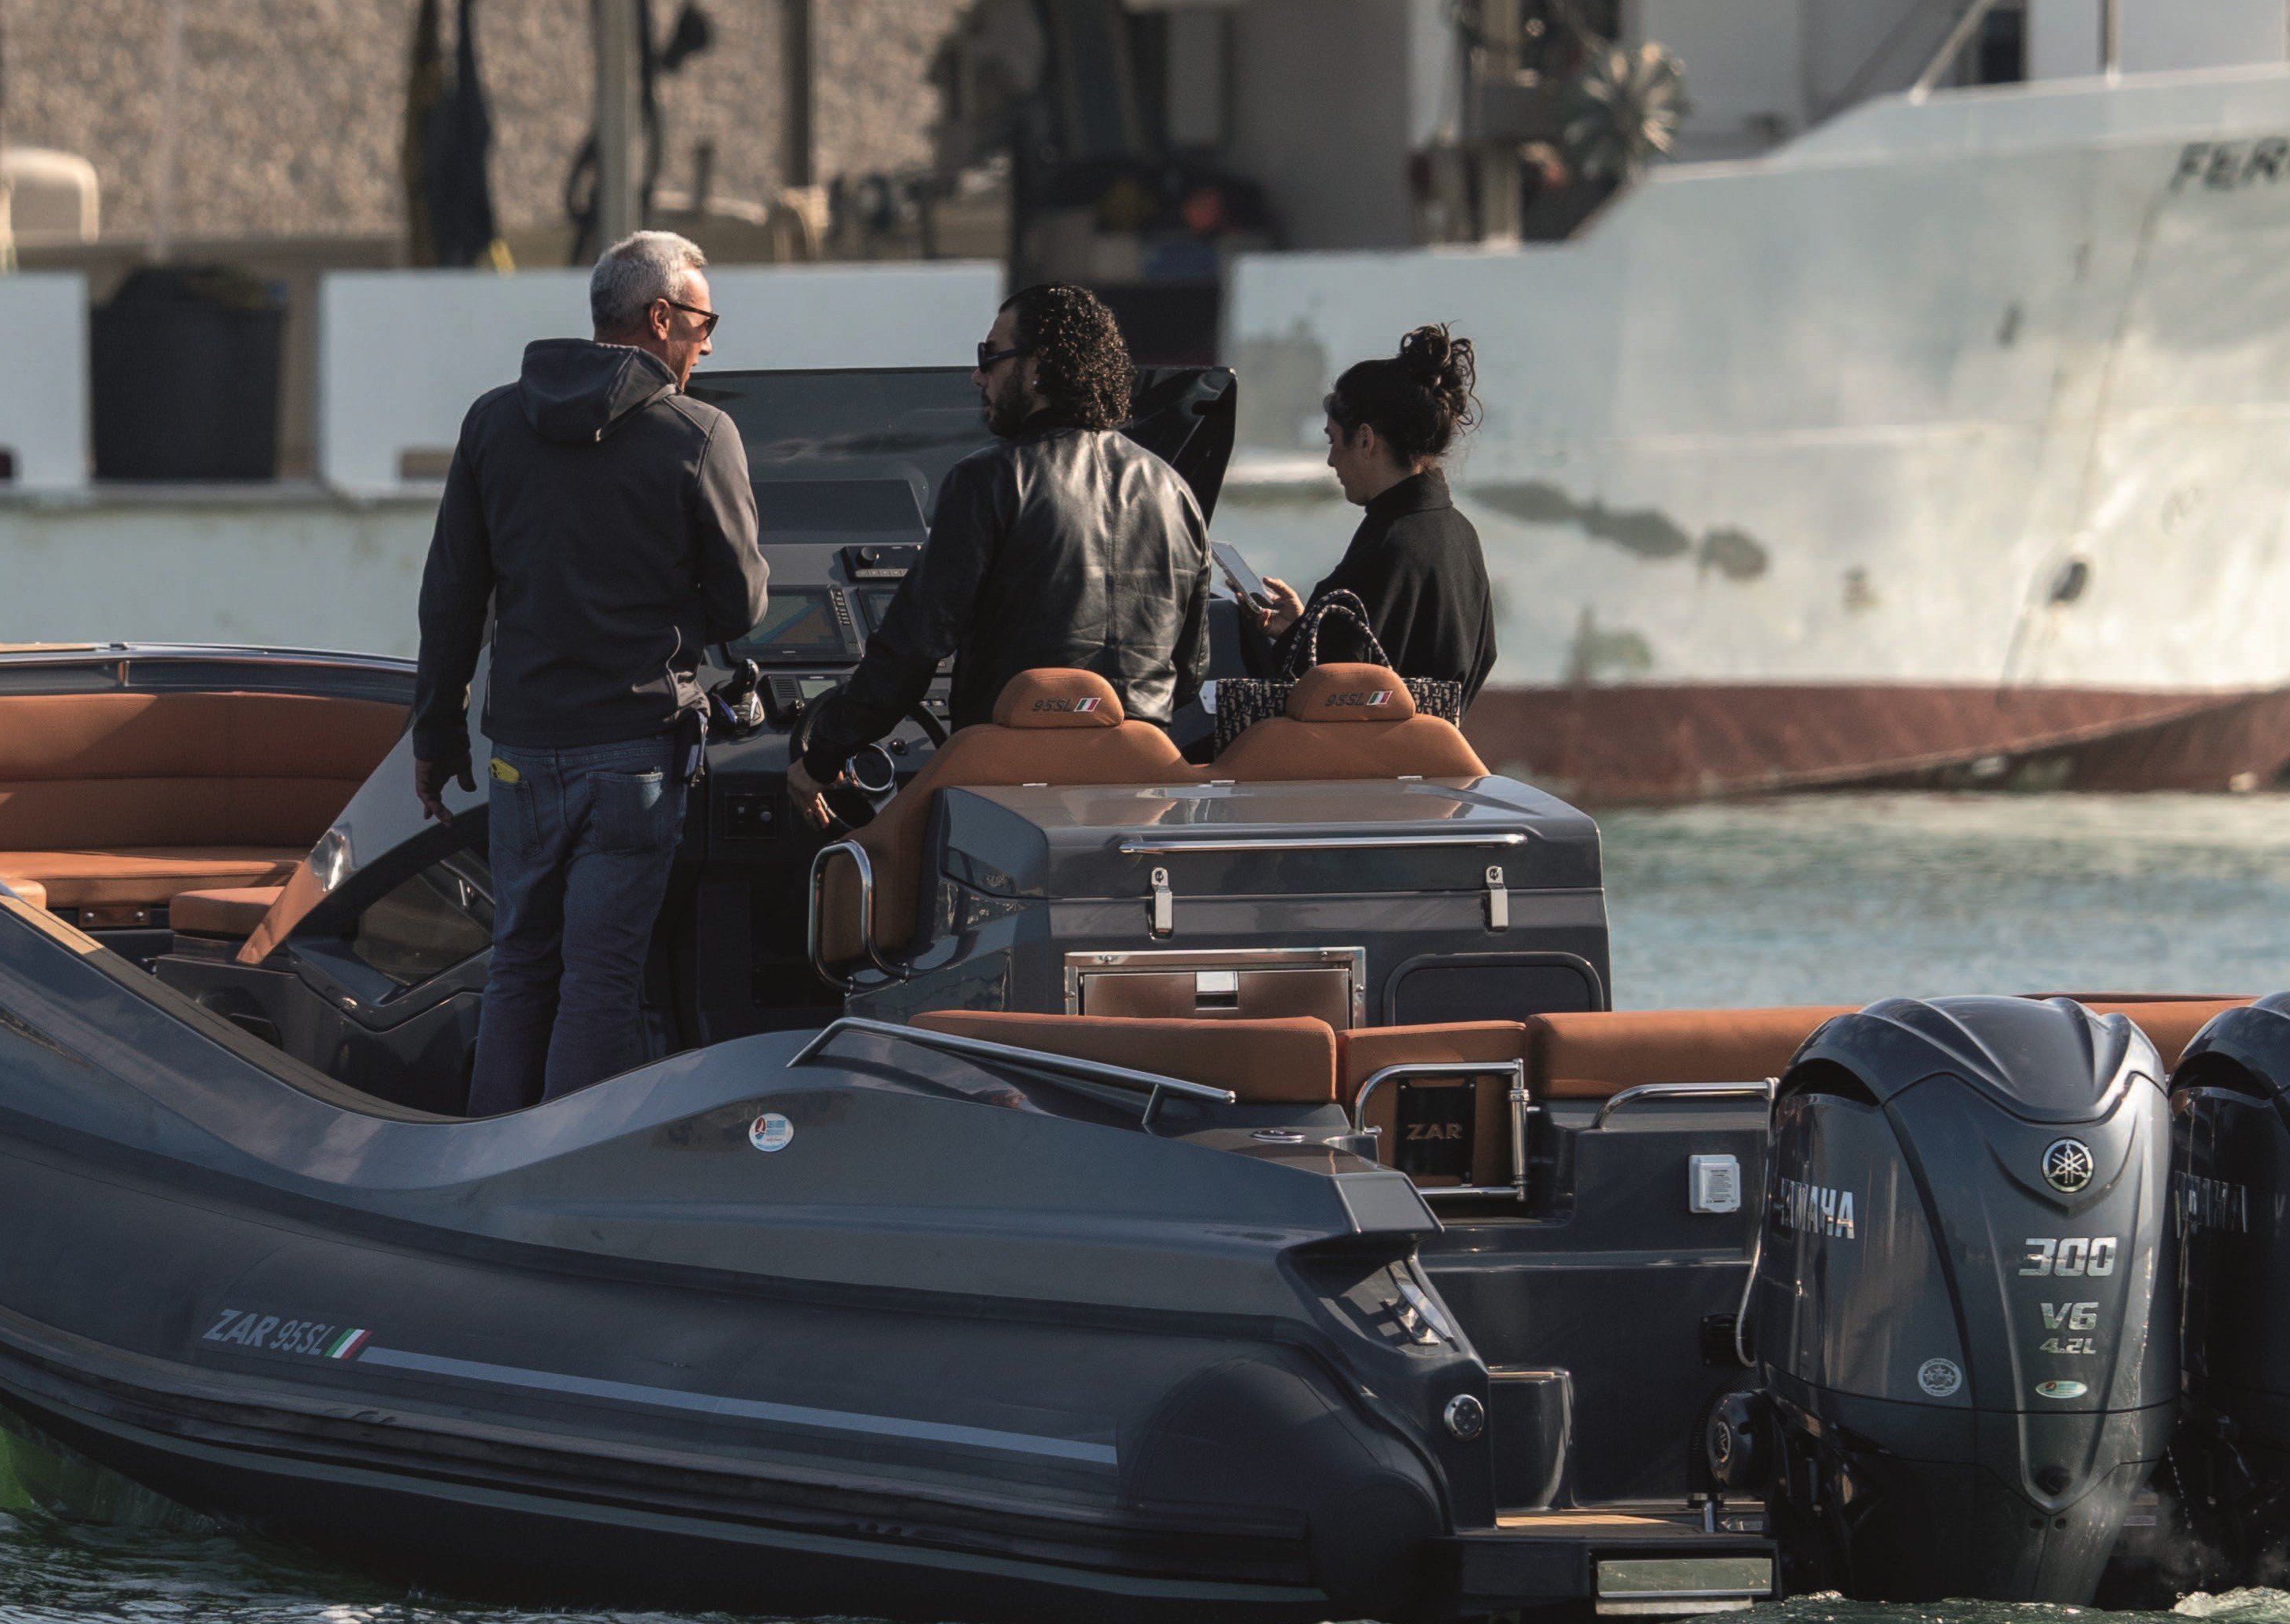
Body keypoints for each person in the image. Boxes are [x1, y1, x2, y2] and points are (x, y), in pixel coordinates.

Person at [411, 229, 766, 1116]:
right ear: (660, 316)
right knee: (601, 978)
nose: (710, 341)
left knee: (520, 965)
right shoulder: (700, 433)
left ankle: (483, 1166)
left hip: (522, 749)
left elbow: (452, 594)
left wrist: (435, 731)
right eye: (703, 319)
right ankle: (562, 1186)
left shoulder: (494, 421)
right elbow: (744, 609)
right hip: (634, 753)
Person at [785, 284, 1209, 822]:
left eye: (989, 357)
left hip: (1013, 797)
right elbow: (1189, 672)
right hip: (1139, 798)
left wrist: (823, 755)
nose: (977, 376)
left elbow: (913, 647)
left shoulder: (988, 479)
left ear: (1037, 369)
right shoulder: (1174, 490)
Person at [1249, 324, 1497, 695]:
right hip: (1434, 750)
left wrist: (1301, 642)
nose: (1331, 460)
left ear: (1365, 440)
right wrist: (1303, 628)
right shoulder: (1460, 532)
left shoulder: (1390, 544)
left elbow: (1335, 689)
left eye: (1334, 440)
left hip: (1372, 754)